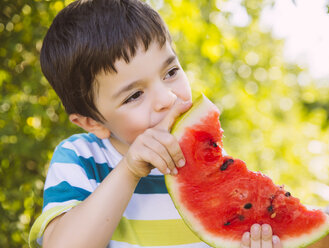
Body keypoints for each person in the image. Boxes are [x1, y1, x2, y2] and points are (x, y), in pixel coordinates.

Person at [28, 0, 282, 247]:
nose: (166, 98)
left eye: (170, 72)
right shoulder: (81, 157)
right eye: (134, 95)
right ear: (92, 122)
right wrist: (129, 170)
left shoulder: (212, 159)